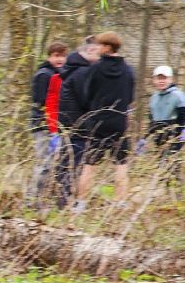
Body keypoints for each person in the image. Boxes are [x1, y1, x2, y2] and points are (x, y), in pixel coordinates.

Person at [73, 31, 135, 208]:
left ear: (107, 47)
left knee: (89, 164)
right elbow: (130, 97)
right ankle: (121, 202)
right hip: (119, 123)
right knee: (121, 165)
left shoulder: (94, 69)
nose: (97, 48)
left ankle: (81, 202)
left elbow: (85, 95)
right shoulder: (128, 70)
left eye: (100, 45)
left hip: (97, 122)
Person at [52, 36, 99, 207]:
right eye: (98, 53)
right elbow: (85, 99)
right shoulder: (81, 72)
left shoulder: (73, 68)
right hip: (76, 124)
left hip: (68, 123)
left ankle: (61, 198)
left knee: (67, 161)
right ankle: (63, 201)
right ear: (91, 50)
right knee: (72, 162)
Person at [27, 41, 68, 202]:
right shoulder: (44, 74)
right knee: (44, 163)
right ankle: (32, 199)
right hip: (43, 124)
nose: (60, 59)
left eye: (63, 56)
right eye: (56, 56)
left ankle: (43, 196)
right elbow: (41, 100)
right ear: (49, 56)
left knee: (53, 164)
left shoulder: (61, 74)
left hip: (55, 124)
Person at [144, 64, 185, 163]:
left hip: (174, 138)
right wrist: (144, 138)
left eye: (164, 78)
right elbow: (152, 121)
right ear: (154, 80)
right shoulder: (154, 97)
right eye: (159, 78)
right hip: (159, 140)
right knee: (160, 169)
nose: (161, 81)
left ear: (171, 79)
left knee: (171, 168)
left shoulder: (178, 95)